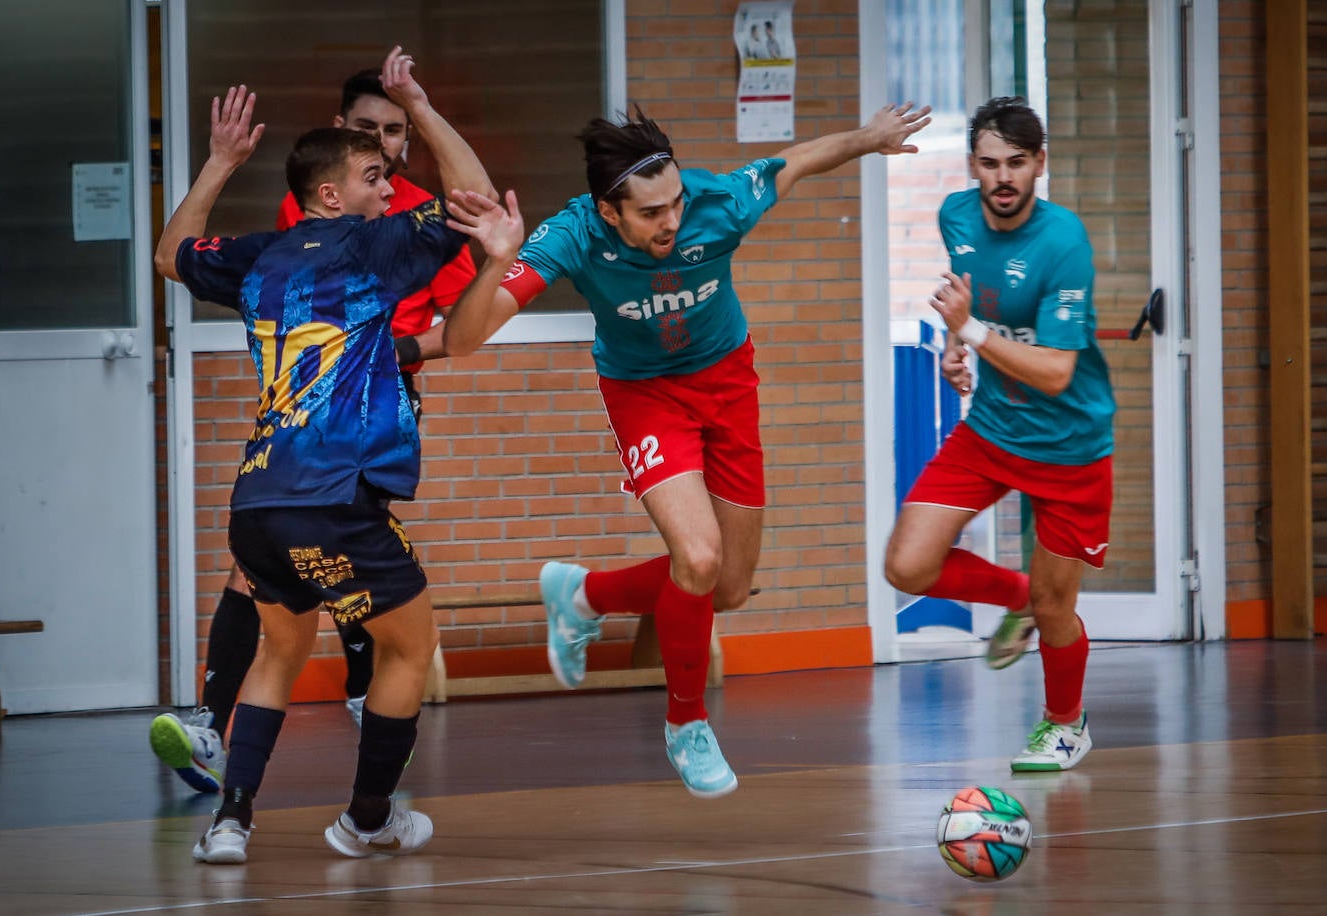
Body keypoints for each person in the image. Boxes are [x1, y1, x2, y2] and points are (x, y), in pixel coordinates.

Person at [442, 101, 931, 798]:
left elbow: (796, 161)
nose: (670, 220)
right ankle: (686, 723)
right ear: (609, 212)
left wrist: (868, 139)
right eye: (650, 213)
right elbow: (464, 339)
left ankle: (583, 594)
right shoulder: (574, 234)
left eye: (674, 203)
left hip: (729, 384)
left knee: (727, 585)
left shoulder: (718, 203)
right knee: (697, 557)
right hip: (644, 394)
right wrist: (494, 262)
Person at [154, 45, 523, 864]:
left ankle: (230, 824)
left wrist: (218, 164)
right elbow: (470, 196)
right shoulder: (373, 247)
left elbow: (169, 255)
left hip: (257, 499)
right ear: (332, 194)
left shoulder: (258, 256)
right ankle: (367, 817)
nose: (390, 186)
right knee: (409, 644)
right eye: (375, 176)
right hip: (334, 495)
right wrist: (421, 108)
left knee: (281, 650)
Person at [883, 96, 1114, 773]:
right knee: (908, 566)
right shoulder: (954, 215)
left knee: (1058, 605)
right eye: (990, 164)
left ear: (1040, 164)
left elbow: (1054, 371)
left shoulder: (1063, 242)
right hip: (990, 430)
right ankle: (1016, 599)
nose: (1003, 177)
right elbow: (976, 299)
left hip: (1069, 446)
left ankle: (1065, 726)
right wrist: (959, 346)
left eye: (1017, 162)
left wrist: (974, 334)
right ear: (972, 168)